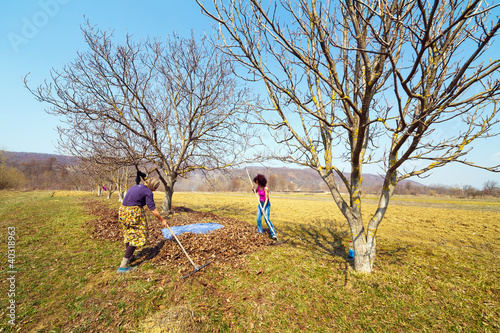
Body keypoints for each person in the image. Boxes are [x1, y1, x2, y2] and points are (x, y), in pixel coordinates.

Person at [117, 177, 167, 273]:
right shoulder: (148, 192)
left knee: (129, 234)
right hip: (133, 213)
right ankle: (123, 266)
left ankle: (129, 257)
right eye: (155, 187)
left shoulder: (135, 187)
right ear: (151, 185)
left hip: (123, 211)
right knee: (137, 236)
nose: (155, 189)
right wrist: (162, 220)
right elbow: (152, 209)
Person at [252, 174, 277, 239]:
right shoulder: (258, 187)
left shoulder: (266, 188)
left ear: (261, 181)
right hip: (260, 203)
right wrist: (253, 189)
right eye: (256, 182)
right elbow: (255, 192)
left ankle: (273, 234)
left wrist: (263, 208)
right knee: (258, 219)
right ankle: (260, 233)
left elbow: (267, 198)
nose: (257, 183)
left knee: (266, 219)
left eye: (257, 182)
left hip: (266, 204)